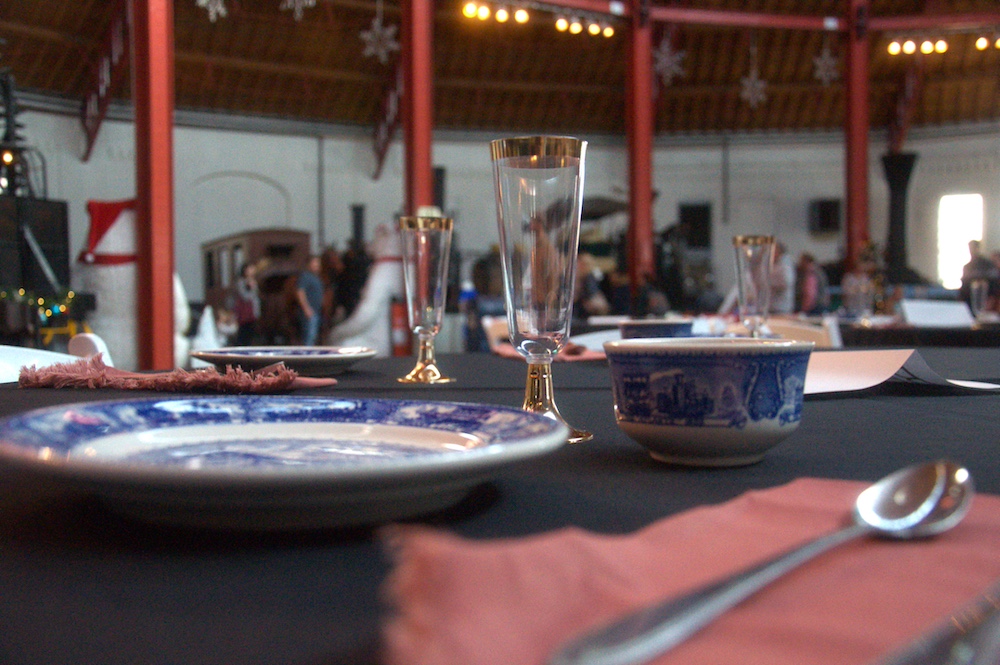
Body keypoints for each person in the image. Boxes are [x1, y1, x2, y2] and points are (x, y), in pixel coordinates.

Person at [959, 240, 1000, 307]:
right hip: (969, 300)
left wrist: (991, 300)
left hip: (986, 302)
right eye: (970, 248)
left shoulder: (987, 264)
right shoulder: (967, 267)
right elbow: (964, 286)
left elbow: (994, 284)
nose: (972, 250)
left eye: (973, 248)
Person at [296, 255, 324, 346]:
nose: (317, 265)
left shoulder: (316, 277)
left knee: (313, 336)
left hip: (316, 311)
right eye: (315, 263)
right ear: (309, 264)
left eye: (318, 263)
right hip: (309, 313)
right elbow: (300, 292)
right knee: (309, 337)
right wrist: (306, 308)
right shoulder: (305, 276)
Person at [230, 262, 260, 346]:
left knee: (250, 333)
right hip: (243, 312)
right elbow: (245, 296)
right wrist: (253, 288)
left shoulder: (253, 281)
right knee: (243, 333)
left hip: (252, 312)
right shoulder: (241, 282)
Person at [770, 242, 795, 315]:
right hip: (772, 305)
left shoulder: (785, 264)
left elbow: (786, 282)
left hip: (781, 306)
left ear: (778, 251)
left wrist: (767, 283)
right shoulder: (774, 263)